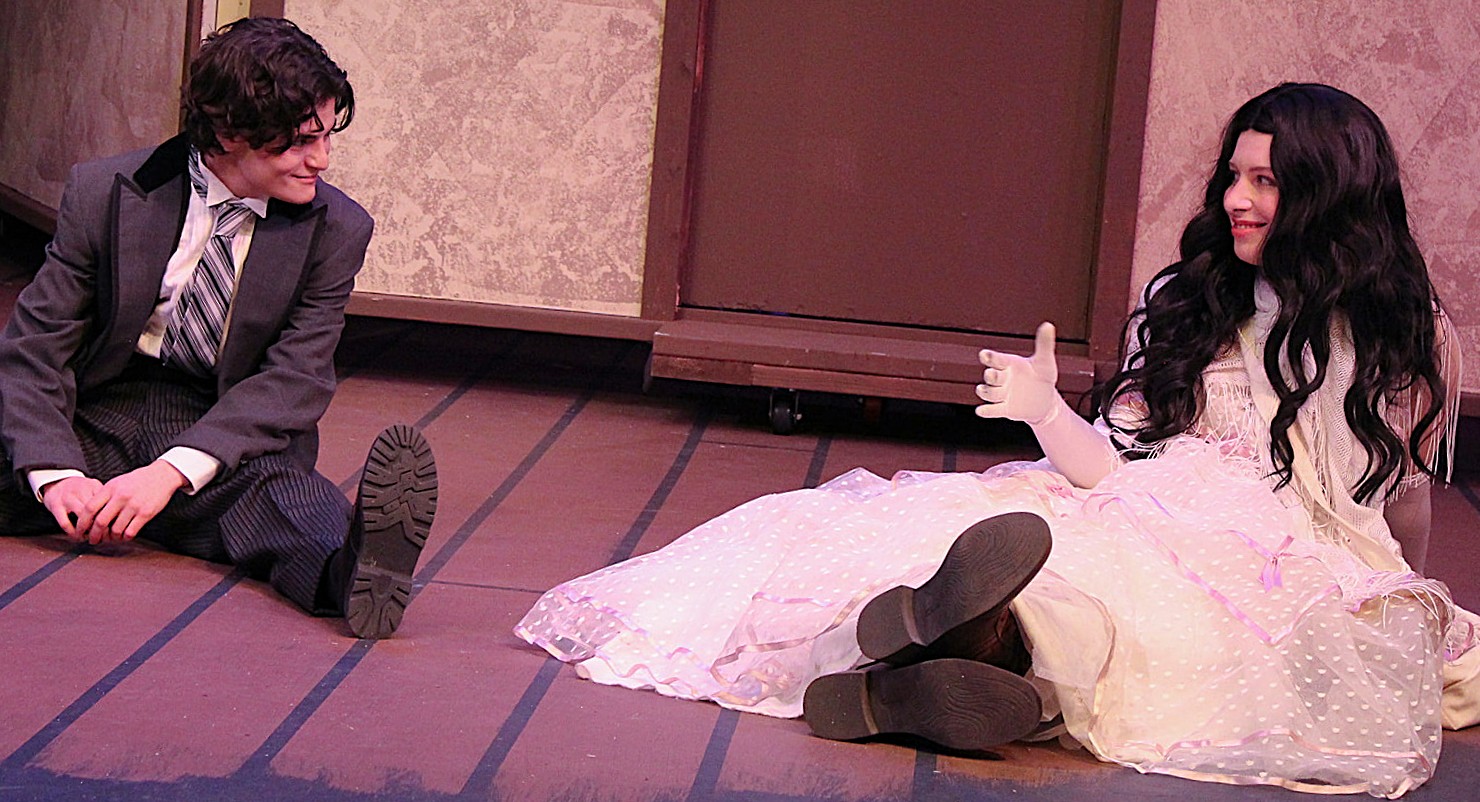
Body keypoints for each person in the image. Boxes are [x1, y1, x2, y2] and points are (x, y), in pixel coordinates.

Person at [515, 83, 1478, 796]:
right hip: (1139, 506)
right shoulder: (1196, 301)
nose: (1235, 198)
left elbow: (1400, 497)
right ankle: (968, 635)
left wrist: (1405, 592)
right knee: (1086, 574)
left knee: (1158, 625)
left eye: (1264, 181)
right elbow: (1112, 468)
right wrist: (1045, 411)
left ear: (1327, 194)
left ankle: (967, 657)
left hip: (1275, 553)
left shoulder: (1400, 334)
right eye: (1234, 174)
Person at [0, 17, 437, 639]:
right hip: (96, 412)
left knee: (286, 502)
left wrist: (168, 473)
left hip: (219, 428)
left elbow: (296, 379)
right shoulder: (105, 192)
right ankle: (124, 508)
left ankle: (352, 572)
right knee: (17, 447)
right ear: (230, 133)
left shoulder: (337, 230)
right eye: (299, 142)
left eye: (325, 136)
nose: (321, 159)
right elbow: (36, 348)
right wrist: (58, 475)